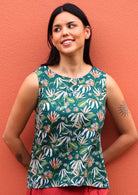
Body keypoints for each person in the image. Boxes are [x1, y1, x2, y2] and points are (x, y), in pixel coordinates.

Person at [3, 3, 138, 195]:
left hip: (91, 187)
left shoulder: (104, 83)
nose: (64, 32)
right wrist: (38, 168)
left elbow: (130, 134)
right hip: (47, 187)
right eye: (57, 29)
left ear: (87, 31)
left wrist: (91, 163)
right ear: (52, 39)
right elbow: (10, 137)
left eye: (71, 25)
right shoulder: (37, 81)